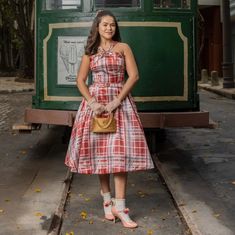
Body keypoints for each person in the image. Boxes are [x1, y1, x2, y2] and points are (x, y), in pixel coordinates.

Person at [65, 10, 154, 228]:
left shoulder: (123, 48)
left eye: (112, 25)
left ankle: (121, 207)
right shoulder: (90, 51)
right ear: (97, 27)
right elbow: (80, 80)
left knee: (120, 155)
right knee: (101, 155)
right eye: (105, 25)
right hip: (96, 106)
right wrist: (93, 103)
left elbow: (134, 76)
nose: (109, 28)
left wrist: (117, 101)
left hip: (119, 103)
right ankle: (107, 202)